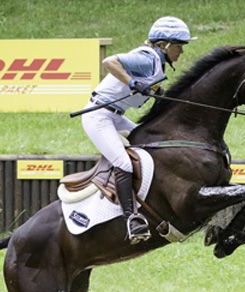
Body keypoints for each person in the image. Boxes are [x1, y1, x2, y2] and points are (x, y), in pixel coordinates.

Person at [81, 16, 194, 244]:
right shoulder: (145, 58)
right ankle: (131, 219)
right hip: (99, 117)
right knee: (123, 163)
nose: (181, 53)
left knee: (151, 145)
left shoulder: (155, 63)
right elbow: (110, 62)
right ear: (165, 45)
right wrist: (132, 83)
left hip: (116, 117)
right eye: (179, 47)